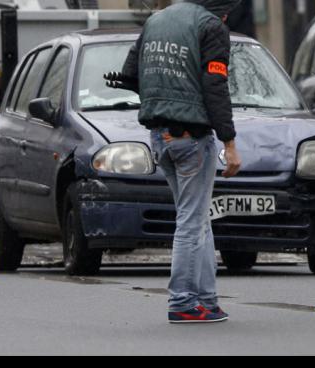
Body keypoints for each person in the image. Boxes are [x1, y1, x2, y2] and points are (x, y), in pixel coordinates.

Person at [106, 0, 242, 323]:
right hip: (192, 137)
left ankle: (207, 300)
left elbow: (129, 73)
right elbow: (215, 85)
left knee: (198, 219)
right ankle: (182, 300)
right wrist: (230, 142)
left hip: (159, 136)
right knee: (192, 222)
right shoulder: (212, 27)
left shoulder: (156, 21)